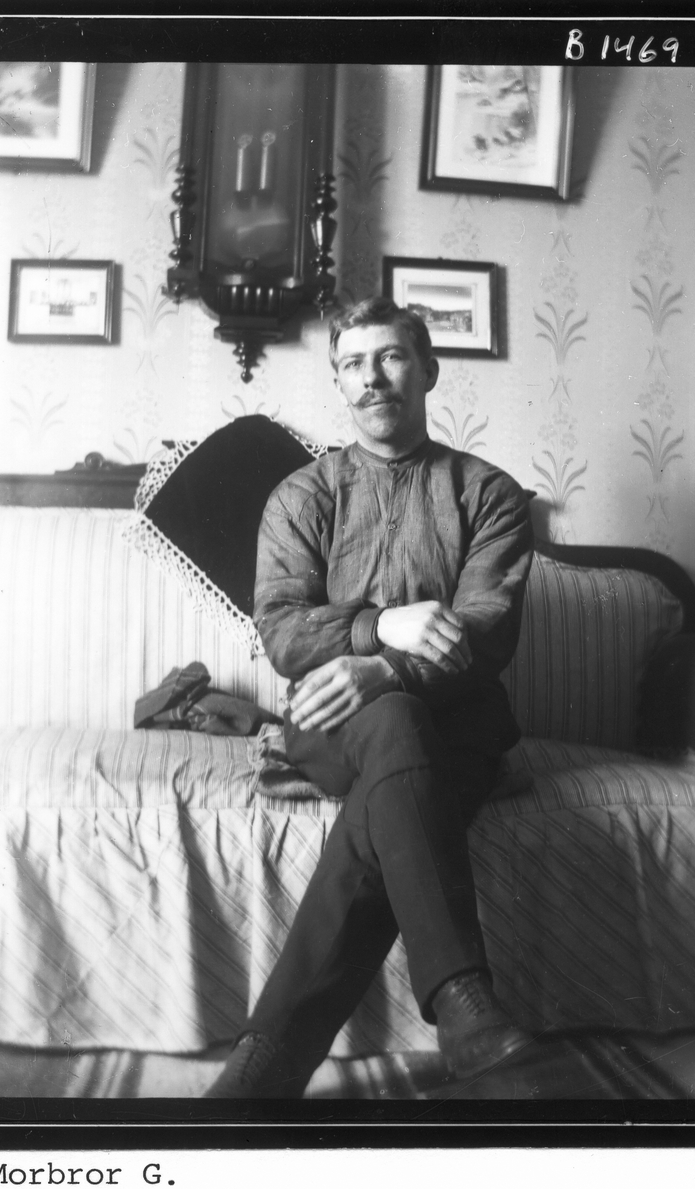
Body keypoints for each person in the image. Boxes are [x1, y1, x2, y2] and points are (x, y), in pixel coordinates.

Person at [205, 297, 535, 1100]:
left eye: (389, 357)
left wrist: (384, 673)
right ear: (339, 382)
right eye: (353, 364)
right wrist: (380, 626)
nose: (372, 378)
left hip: (457, 726)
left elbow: (486, 631)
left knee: (391, 745)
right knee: (388, 724)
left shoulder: (489, 494)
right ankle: (462, 1001)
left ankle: (264, 1066)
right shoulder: (301, 497)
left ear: (428, 369)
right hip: (329, 723)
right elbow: (284, 633)